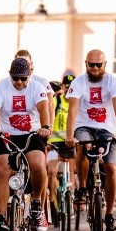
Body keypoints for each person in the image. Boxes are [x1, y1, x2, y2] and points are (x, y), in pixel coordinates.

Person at [0, 58, 51, 231]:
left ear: (29, 76)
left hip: (32, 135)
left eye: (23, 78)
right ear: (10, 76)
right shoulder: (2, 87)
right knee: (1, 168)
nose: (19, 82)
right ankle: (1, 217)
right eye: (16, 79)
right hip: (8, 135)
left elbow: (44, 109)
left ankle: (37, 202)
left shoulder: (37, 87)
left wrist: (45, 127)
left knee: (38, 164)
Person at [65, 50, 116, 231]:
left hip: (108, 128)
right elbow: (73, 109)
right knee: (82, 146)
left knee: (112, 168)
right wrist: (69, 135)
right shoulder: (78, 83)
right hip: (84, 126)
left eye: (99, 65)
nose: (95, 68)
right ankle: (82, 188)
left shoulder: (113, 82)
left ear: (105, 65)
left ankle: (109, 215)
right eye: (91, 65)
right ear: (86, 65)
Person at [46, 75, 76, 223]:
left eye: (72, 86)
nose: (69, 89)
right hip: (54, 142)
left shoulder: (78, 103)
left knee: (72, 172)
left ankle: (73, 199)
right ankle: (52, 202)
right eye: (66, 86)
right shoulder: (56, 101)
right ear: (63, 87)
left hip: (71, 142)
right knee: (51, 172)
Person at [15, 49, 55, 128]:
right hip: (12, 129)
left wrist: (49, 127)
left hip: (35, 130)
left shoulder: (42, 82)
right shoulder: (6, 83)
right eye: (19, 63)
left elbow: (50, 104)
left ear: (31, 64)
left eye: (25, 63)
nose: (22, 66)